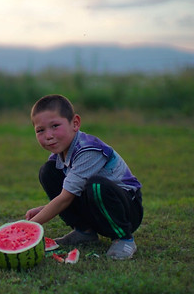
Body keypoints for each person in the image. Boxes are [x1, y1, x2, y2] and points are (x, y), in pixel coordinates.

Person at [24, 94, 143, 260]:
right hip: (95, 204)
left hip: (127, 209)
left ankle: (124, 238)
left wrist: (28, 227)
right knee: (48, 171)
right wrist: (43, 209)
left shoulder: (89, 151)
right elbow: (70, 191)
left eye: (55, 126)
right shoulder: (59, 155)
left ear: (75, 123)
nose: (48, 135)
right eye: (40, 130)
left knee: (97, 185)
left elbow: (66, 198)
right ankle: (84, 232)